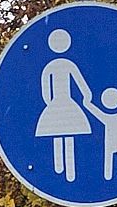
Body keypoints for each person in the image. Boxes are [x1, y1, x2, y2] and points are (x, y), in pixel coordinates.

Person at [36, 28, 96, 182]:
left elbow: (45, 89)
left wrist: (50, 103)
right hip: (66, 104)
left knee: (58, 133)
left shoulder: (51, 66)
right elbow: (80, 83)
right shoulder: (66, 65)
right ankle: (65, 171)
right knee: (66, 133)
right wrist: (86, 96)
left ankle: (62, 169)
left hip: (58, 104)